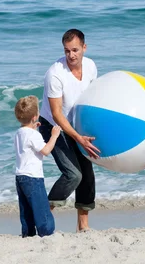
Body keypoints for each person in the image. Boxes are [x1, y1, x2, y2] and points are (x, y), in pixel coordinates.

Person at [38, 28, 100, 232]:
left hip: (77, 123)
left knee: (87, 174)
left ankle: (83, 226)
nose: (71, 55)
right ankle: (43, 212)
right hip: (54, 126)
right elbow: (56, 114)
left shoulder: (90, 66)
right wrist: (78, 138)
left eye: (75, 50)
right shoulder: (55, 74)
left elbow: (93, 99)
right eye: (67, 51)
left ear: (84, 47)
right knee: (73, 174)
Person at [14, 95, 61, 237]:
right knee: (41, 208)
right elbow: (46, 150)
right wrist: (54, 136)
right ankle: (46, 232)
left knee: (26, 208)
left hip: (20, 176)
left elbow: (28, 143)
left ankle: (28, 234)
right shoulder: (34, 136)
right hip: (33, 177)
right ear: (35, 117)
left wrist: (34, 129)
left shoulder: (19, 132)